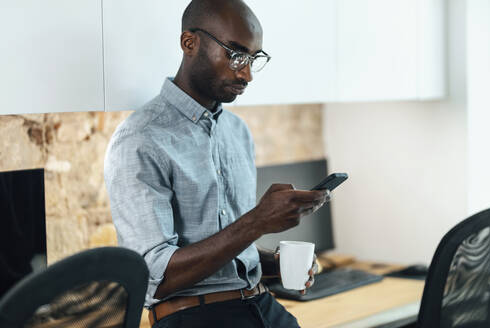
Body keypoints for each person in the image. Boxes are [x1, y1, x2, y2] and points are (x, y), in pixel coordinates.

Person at [104, 0, 330, 327]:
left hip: (262, 305)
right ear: (189, 43)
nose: (247, 73)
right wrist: (257, 221)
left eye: (254, 58)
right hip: (195, 318)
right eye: (236, 54)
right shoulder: (140, 139)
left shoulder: (237, 132)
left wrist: (272, 265)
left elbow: (227, 252)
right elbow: (155, 277)